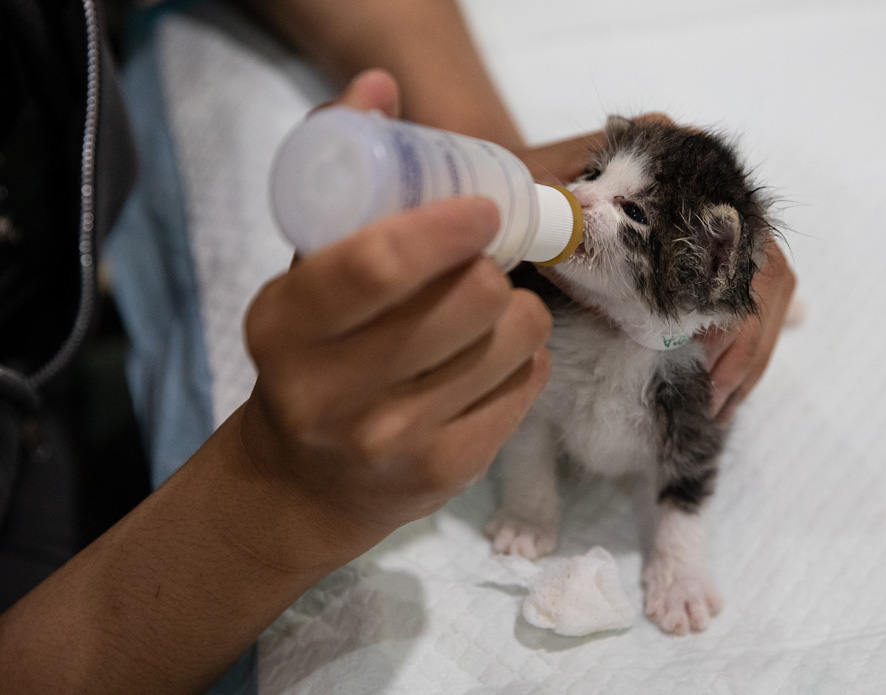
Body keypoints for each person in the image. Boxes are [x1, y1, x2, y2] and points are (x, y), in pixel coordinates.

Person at [0, 0, 795, 691]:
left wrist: (489, 161)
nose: (579, 193)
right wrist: (276, 488)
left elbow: (686, 463)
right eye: (593, 175)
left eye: (628, 208)